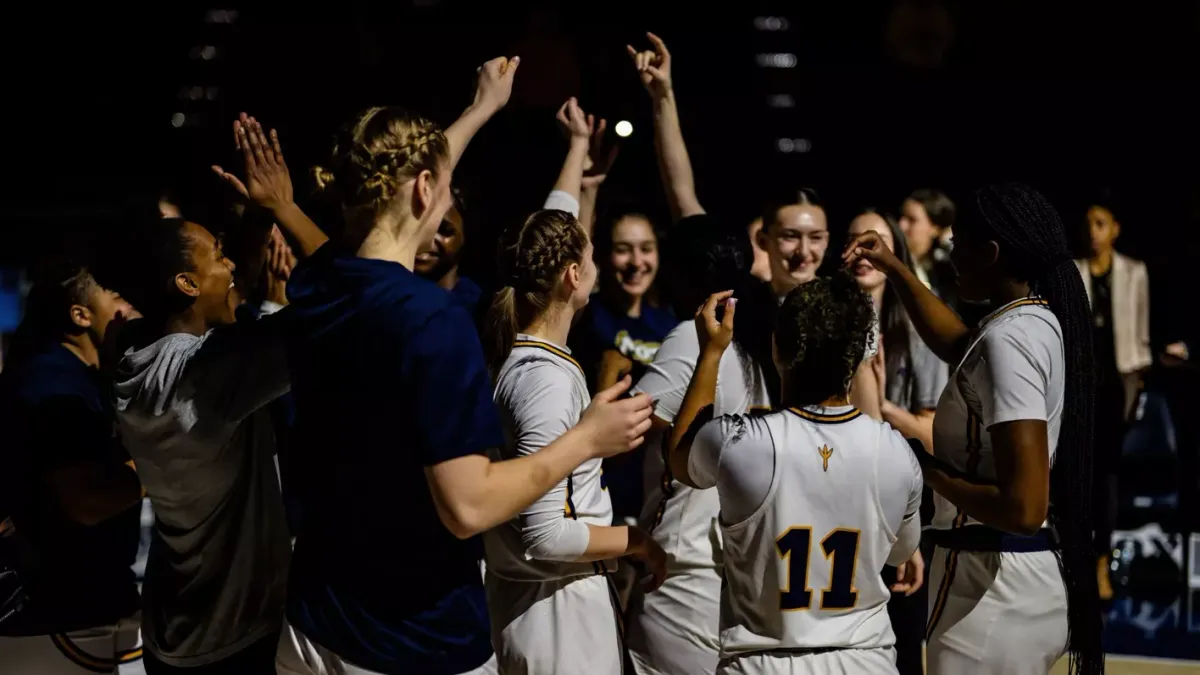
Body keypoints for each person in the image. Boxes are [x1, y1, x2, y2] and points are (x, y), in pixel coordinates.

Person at [277, 59, 655, 675]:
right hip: (405, 636)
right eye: (445, 183)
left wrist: (481, 109)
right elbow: (468, 507)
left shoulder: (320, 282)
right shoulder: (433, 317)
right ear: (425, 189)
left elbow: (392, 189)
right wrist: (587, 439)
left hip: (314, 620)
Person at [845, 183, 1103, 675]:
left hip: (993, 584)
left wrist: (925, 469)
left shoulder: (1012, 341)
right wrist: (896, 268)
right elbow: (957, 343)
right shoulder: (1030, 320)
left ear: (991, 253)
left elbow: (1024, 508)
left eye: (958, 243)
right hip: (1016, 578)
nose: (950, 255)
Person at [110, 116, 321, 675]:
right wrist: (283, 209)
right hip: (234, 636)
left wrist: (253, 229)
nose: (230, 267)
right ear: (185, 284)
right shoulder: (206, 373)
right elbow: (347, 304)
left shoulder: (134, 354)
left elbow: (225, 309)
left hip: (173, 628)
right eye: (217, 258)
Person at [663, 280, 924, 674]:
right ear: (858, 358)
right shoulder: (897, 452)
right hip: (863, 661)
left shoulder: (741, 443)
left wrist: (711, 353)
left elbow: (680, 458)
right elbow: (900, 554)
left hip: (763, 663)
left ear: (777, 347)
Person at [481, 207, 668, 674]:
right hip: (555, 610)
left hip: (538, 602)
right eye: (592, 257)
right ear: (572, 274)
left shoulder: (521, 359)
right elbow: (545, 535)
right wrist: (637, 542)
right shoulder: (545, 378)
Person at [0, 260, 144, 674]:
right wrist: (169, 464)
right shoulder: (51, 383)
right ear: (80, 314)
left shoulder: (77, 376)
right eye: (117, 296)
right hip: (58, 618)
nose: (132, 307)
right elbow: (85, 500)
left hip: (80, 611)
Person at [848, 209, 947, 675]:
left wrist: (884, 409)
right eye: (853, 241)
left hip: (900, 503)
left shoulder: (916, 327)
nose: (863, 252)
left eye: (876, 243)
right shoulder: (824, 322)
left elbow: (934, 434)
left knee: (903, 642)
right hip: (839, 499)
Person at [1074, 200, 1149, 600]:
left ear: (1115, 228)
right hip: (1081, 387)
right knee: (1078, 475)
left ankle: (1101, 559)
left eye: (1100, 223)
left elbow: (1140, 331)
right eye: (1089, 223)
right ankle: (1077, 560)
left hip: (1117, 387)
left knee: (1106, 476)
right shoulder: (1074, 271)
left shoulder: (1134, 271)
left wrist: (1139, 377)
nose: (1093, 231)